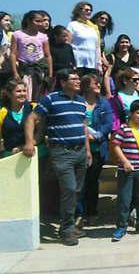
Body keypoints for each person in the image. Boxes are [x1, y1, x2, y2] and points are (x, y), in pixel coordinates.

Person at [23, 69, 92, 246]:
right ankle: (67, 229)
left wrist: (88, 151)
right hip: (62, 152)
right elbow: (31, 118)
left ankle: (67, 225)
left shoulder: (81, 102)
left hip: (80, 152)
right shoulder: (51, 99)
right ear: (63, 82)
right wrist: (30, 142)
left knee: (76, 190)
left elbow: (83, 127)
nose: (78, 81)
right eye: (74, 78)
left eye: (78, 78)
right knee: (69, 189)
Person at [110, 100, 139, 241]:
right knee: (125, 199)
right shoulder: (124, 129)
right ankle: (121, 227)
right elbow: (116, 146)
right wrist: (124, 161)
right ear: (131, 114)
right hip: (127, 171)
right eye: (138, 113)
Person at [79, 74, 113, 227]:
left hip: (98, 148)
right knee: (80, 182)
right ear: (86, 86)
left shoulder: (104, 103)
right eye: (95, 83)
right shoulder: (78, 102)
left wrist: (96, 136)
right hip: (80, 147)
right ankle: (79, 213)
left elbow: (108, 125)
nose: (99, 85)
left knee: (92, 182)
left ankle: (91, 212)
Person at [11, 11, 52, 101]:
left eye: (41, 21)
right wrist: (15, 72)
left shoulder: (43, 36)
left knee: (38, 95)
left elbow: (48, 55)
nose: (40, 24)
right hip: (24, 68)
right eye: (37, 21)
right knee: (25, 94)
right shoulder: (17, 34)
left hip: (39, 69)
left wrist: (50, 74)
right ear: (28, 21)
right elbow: (13, 53)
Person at [0, 80, 35, 158]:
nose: (22, 94)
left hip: (35, 154)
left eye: (24, 91)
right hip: (11, 156)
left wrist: (23, 146)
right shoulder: (2, 112)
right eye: (18, 91)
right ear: (9, 94)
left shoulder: (33, 108)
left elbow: (40, 132)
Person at [66, 1, 101, 76]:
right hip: (78, 63)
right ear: (78, 11)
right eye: (86, 10)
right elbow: (67, 44)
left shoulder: (93, 28)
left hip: (92, 64)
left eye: (90, 10)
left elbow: (97, 47)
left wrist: (99, 63)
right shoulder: (72, 25)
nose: (89, 12)